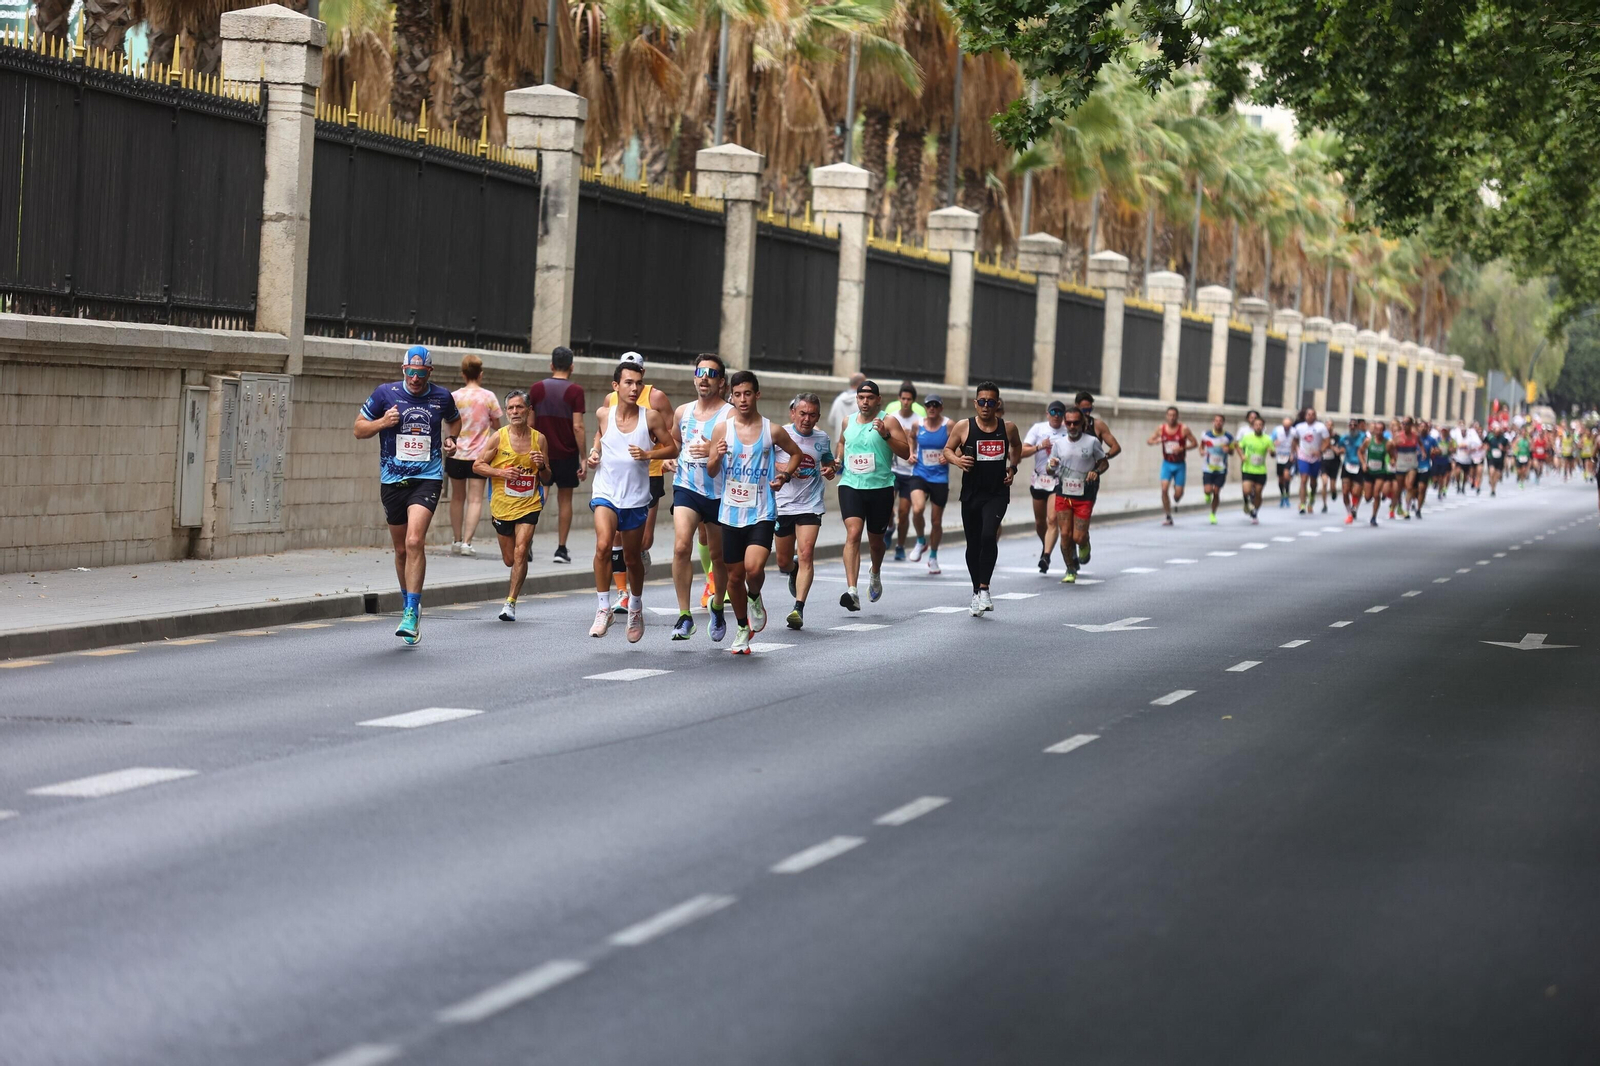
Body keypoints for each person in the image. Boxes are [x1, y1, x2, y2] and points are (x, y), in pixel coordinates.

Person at [353, 345, 462, 646]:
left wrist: (451, 439)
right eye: (410, 372)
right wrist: (382, 423)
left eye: (421, 373)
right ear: (403, 370)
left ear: (430, 372)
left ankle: (412, 611)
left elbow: (454, 419)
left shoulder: (441, 396)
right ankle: (408, 602)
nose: (415, 378)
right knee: (401, 550)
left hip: (427, 478)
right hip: (392, 480)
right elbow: (358, 429)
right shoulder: (384, 394)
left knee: (415, 541)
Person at [706, 371, 802, 654]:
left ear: (757, 394)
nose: (743, 399)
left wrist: (783, 476)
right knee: (734, 578)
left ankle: (755, 596)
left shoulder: (771, 430)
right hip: (730, 513)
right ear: (731, 396)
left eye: (748, 393)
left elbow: (795, 453)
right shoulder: (722, 429)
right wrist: (717, 455)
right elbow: (712, 471)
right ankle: (741, 627)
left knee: (753, 568)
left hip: (762, 511)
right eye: (737, 395)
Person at [587, 360, 676, 642]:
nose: (634, 388)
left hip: (636, 497)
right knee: (603, 545)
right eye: (628, 382)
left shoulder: (650, 417)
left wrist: (649, 455)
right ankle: (603, 609)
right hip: (606, 492)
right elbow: (600, 439)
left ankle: (635, 608)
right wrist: (593, 454)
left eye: (638, 383)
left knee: (632, 558)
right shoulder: (603, 414)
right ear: (616, 386)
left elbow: (672, 446)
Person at [667, 354, 733, 642]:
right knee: (682, 547)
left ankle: (717, 605)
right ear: (694, 377)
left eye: (711, 373)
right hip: (687, 487)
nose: (704, 377)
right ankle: (684, 616)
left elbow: (743, 448)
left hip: (719, 492)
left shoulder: (730, 414)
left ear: (720, 382)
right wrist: (668, 459)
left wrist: (713, 451)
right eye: (700, 372)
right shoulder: (683, 412)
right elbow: (674, 443)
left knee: (718, 557)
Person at [471, 391, 552, 621]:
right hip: (502, 506)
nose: (515, 412)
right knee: (510, 558)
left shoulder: (540, 440)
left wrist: (542, 466)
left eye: (519, 407)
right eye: (511, 409)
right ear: (506, 412)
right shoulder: (498, 437)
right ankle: (519, 557)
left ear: (528, 410)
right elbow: (477, 466)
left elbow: (547, 477)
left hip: (530, 504)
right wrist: (501, 473)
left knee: (521, 551)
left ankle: (510, 603)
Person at [944, 381, 1023, 612]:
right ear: (975, 403)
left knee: (989, 535)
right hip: (971, 494)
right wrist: (958, 460)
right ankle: (975, 591)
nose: (986, 406)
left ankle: (985, 588)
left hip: (997, 493)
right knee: (973, 543)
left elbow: (1017, 446)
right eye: (981, 402)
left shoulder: (1007, 428)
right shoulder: (963, 427)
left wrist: (1013, 468)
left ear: (997, 404)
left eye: (990, 402)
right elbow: (947, 450)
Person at [837, 380, 912, 611]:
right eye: (861, 397)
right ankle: (852, 591)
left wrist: (887, 436)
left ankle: (875, 572)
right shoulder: (848, 420)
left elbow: (906, 452)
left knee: (876, 542)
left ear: (878, 400)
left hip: (880, 487)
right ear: (857, 399)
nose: (865, 402)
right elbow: (841, 442)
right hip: (850, 484)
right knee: (853, 533)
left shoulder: (888, 420)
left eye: (870, 398)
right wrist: (838, 460)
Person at [774, 393, 836, 630]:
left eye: (812, 415)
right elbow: (766, 461)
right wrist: (787, 468)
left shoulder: (822, 438)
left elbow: (828, 462)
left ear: (818, 416)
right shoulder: (781, 434)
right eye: (802, 414)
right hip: (783, 505)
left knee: (807, 552)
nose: (806, 419)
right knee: (782, 561)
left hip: (810, 505)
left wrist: (830, 470)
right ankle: (793, 569)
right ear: (793, 413)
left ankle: (798, 608)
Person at [526, 346, 587, 564]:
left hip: (542, 454)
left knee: (537, 498)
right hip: (567, 454)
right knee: (565, 501)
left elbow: (530, 423)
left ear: (551, 365)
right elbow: (578, 427)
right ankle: (561, 549)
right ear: (571, 366)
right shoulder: (575, 391)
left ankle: (527, 543)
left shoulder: (537, 389)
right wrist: (583, 457)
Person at [1044, 404, 1109, 585]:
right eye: (1069, 423)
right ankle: (1070, 568)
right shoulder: (1059, 444)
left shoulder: (1092, 442)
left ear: (1082, 424)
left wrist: (1096, 470)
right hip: (1063, 493)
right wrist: (1051, 466)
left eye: (1076, 423)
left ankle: (1085, 542)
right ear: (1065, 423)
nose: (1072, 427)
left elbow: (1104, 463)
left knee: (1077, 537)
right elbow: (1049, 470)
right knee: (1065, 534)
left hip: (1084, 495)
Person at [446, 353, 502, 556]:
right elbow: (497, 424)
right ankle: (467, 543)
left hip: (456, 453)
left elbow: (448, 421)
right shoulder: (488, 397)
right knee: (476, 499)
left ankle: (456, 539)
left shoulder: (454, 396)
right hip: (479, 456)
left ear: (463, 374)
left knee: (457, 498)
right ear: (481, 374)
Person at [1072, 392, 1121, 563]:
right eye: (1083, 408)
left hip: (1090, 479)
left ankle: (1083, 540)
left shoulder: (1098, 425)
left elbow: (1115, 446)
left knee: (1081, 517)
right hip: (1069, 478)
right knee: (1066, 521)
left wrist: (1103, 458)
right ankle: (1071, 559)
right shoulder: (1069, 424)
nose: (1086, 411)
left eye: (1089, 408)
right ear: (1076, 406)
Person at [1021, 401, 1068, 572]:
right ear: (1047, 414)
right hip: (1039, 480)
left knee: (1052, 519)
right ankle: (1045, 546)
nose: (1056, 415)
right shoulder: (1038, 429)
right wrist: (1040, 446)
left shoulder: (1067, 431)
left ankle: (1046, 556)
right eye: (1053, 412)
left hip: (1057, 480)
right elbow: (1021, 452)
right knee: (1040, 522)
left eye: (1059, 413)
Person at [908, 395, 951, 574]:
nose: (932, 408)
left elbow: (958, 444)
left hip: (940, 478)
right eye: (928, 405)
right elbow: (911, 438)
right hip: (920, 473)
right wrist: (911, 453)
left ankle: (933, 556)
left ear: (941, 408)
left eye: (935, 405)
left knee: (936, 520)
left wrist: (949, 454)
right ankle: (920, 540)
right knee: (917, 509)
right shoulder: (918, 425)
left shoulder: (949, 425)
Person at [883, 382, 927, 560]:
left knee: (904, 511)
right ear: (899, 399)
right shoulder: (892, 418)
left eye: (909, 399)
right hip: (892, 470)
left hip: (911, 473)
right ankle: (890, 527)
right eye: (903, 398)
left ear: (913, 401)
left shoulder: (918, 420)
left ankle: (900, 545)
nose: (906, 402)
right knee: (886, 508)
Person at [1148, 407, 1197, 525]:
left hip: (1180, 465)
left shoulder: (1184, 429)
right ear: (1166, 416)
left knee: (1177, 496)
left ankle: (1177, 493)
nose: (1171, 417)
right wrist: (1156, 441)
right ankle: (1168, 516)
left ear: (1177, 416)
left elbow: (1195, 443)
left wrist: (1182, 448)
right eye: (1169, 415)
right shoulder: (1161, 428)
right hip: (1167, 464)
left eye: (1174, 415)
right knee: (1164, 489)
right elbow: (1149, 440)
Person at [1291, 408, 1330, 514]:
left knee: (1313, 482)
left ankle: (1312, 497)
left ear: (1315, 416)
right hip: (1303, 455)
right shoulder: (1299, 427)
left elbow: (1327, 441)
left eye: (1313, 414)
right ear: (1305, 416)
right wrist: (1293, 452)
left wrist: (1320, 451)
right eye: (1308, 414)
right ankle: (1302, 503)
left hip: (1315, 457)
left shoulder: (1321, 427)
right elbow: (1294, 440)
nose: (1310, 416)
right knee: (1303, 480)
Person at [1235, 414, 1273, 523]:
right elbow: (1238, 445)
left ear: (1263, 426)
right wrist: (1241, 456)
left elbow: (1272, 451)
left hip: (1260, 471)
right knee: (1246, 490)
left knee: (1258, 493)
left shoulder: (1267, 439)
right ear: (1253, 426)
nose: (1258, 427)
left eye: (1260, 425)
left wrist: (1272, 452)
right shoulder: (1247, 437)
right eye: (1256, 425)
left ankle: (1255, 511)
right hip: (1248, 469)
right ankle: (1248, 503)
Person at [1198, 414, 1233, 524]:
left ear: (1223, 423)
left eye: (1220, 421)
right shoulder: (1206, 435)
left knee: (1217, 492)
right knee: (1208, 490)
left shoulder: (1228, 437)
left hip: (1221, 469)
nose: (1218, 423)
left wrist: (1228, 450)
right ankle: (1207, 494)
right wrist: (1201, 451)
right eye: (1216, 421)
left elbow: (1232, 451)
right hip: (1208, 468)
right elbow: (1201, 446)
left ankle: (1213, 513)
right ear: (1213, 422)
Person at [1361, 419, 1392, 526]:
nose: (1378, 432)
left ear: (1383, 431)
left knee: (1376, 494)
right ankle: (1367, 496)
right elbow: (1360, 452)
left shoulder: (1387, 443)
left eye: (1380, 430)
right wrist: (1363, 463)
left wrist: (1392, 461)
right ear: (1374, 430)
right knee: (1368, 497)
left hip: (1381, 471)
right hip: (1369, 471)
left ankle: (1374, 516)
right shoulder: (1368, 441)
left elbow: (1393, 455)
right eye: (1376, 429)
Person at [1336, 418, 1367, 524]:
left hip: (1358, 465)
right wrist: (1339, 451)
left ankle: (1354, 507)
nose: (1352, 427)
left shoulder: (1363, 437)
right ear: (1348, 426)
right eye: (1351, 425)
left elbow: (1366, 448)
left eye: (1355, 425)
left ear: (1358, 426)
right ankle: (1349, 513)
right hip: (1347, 465)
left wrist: (1365, 463)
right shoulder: (1344, 437)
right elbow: (1339, 448)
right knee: (1345, 492)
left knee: (1356, 492)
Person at [828, 372, 867, 444]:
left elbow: (831, 421)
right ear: (861, 383)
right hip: (858, 443)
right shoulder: (863, 401)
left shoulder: (839, 399)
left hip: (840, 442)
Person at [1271, 416, 1295, 508]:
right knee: (1280, 478)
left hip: (1289, 456)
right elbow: (1270, 440)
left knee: (1286, 475)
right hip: (1279, 456)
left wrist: (1294, 453)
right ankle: (1282, 495)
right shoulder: (1277, 430)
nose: (1286, 428)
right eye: (1285, 426)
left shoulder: (1294, 431)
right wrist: (1274, 443)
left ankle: (1287, 496)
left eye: (1288, 426)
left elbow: (1297, 442)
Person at [1484, 421, 1509, 496]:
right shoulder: (1490, 437)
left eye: (1498, 432)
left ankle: (1493, 488)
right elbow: (1485, 443)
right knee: (1491, 472)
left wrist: (1503, 448)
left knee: (1497, 476)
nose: (1497, 433)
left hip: (1500, 460)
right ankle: (1492, 487)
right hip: (1492, 458)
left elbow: (1507, 449)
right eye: (1496, 431)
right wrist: (1487, 448)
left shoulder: (1504, 439)